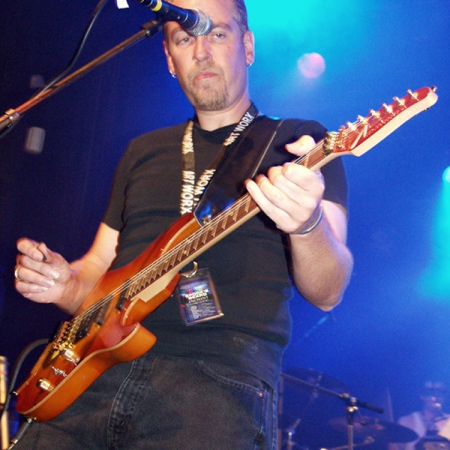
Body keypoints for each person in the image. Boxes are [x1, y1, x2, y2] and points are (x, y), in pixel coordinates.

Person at [11, 0, 353, 448]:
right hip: (92, 375)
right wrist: (64, 284)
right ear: (170, 60)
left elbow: (329, 290)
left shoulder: (298, 142)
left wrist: (307, 224)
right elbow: (98, 266)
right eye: (185, 38)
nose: (202, 51)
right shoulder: (142, 150)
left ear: (248, 46)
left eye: (218, 34)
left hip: (216, 380)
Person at [396, 382, 450, 450]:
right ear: (422, 396)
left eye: (439, 394)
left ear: (444, 396)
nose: (434, 398)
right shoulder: (407, 422)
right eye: (430, 394)